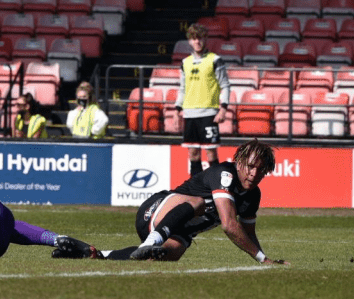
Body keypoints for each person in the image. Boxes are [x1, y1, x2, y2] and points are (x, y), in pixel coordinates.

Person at [53, 139, 288, 265]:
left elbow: (248, 233)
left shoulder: (253, 195)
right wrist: (262, 259)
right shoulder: (224, 173)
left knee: (168, 255)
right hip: (155, 211)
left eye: (261, 170)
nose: (254, 173)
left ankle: (94, 254)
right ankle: (151, 241)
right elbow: (229, 225)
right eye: (250, 166)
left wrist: (264, 258)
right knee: (198, 203)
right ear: (239, 163)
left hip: (178, 231)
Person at [174, 24, 230, 177]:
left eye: (200, 38)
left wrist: (223, 109)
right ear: (189, 41)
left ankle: (216, 189)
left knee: (211, 153)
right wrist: (177, 110)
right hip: (190, 113)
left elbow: (225, 85)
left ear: (206, 39)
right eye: (193, 39)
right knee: (193, 153)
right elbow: (182, 88)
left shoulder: (215, 60)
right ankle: (196, 191)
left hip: (209, 113)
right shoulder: (185, 63)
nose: (197, 42)